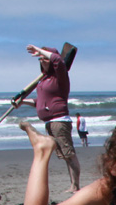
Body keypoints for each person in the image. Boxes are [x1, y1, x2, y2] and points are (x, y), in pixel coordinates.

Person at [15, 45, 81, 192]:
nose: (42, 60)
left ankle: (75, 186)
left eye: (45, 58)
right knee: (64, 156)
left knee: (69, 154)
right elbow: (40, 102)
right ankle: (73, 185)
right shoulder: (44, 80)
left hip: (60, 120)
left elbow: (57, 60)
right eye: (40, 59)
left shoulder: (60, 76)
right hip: (49, 122)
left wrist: (39, 50)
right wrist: (22, 102)